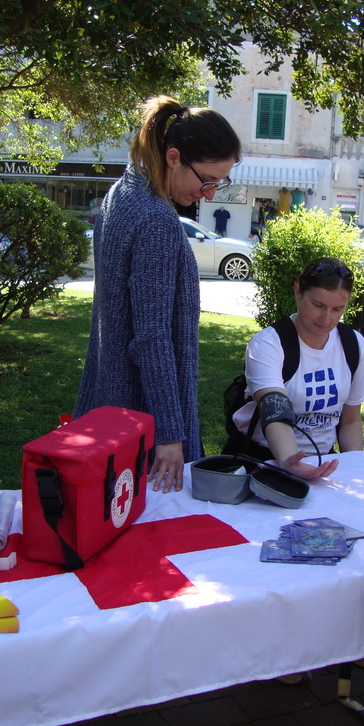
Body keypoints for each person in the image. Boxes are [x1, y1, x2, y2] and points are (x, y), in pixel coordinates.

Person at [74, 95, 240, 493]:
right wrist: (169, 434)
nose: (211, 194)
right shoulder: (156, 221)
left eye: (221, 182)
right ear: (173, 157)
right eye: (208, 180)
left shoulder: (121, 193)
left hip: (108, 401)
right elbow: (151, 338)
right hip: (141, 419)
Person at [224, 257, 364, 481]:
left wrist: (356, 469)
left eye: (337, 309)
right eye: (318, 305)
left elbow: (351, 420)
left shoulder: (353, 343)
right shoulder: (268, 344)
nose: (326, 318)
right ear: (298, 292)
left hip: (322, 462)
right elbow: (275, 412)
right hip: (261, 458)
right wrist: (290, 461)